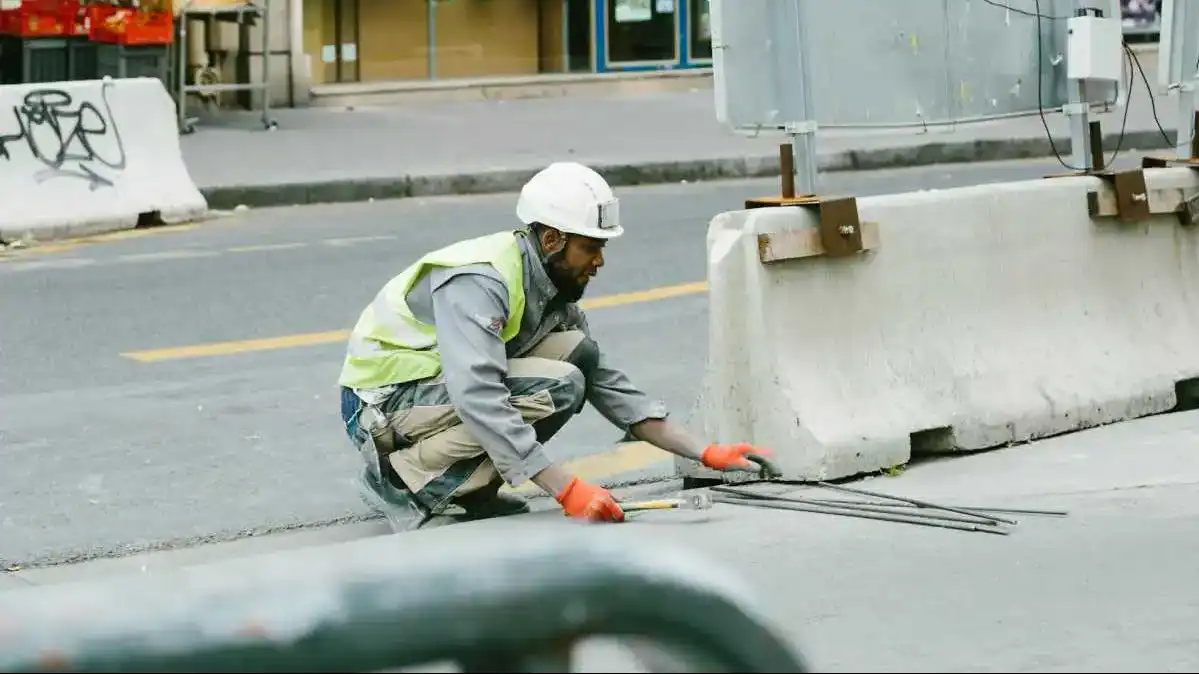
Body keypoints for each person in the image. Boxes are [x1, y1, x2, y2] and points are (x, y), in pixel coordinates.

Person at [337, 161, 772, 532]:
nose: (599, 262)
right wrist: (566, 488)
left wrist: (705, 451)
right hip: (381, 406)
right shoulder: (481, 280)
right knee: (557, 385)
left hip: (430, 396)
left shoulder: (550, 287)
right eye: (590, 248)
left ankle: (468, 490)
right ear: (551, 240)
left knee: (578, 355)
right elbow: (478, 394)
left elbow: (606, 383)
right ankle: (401, 483)